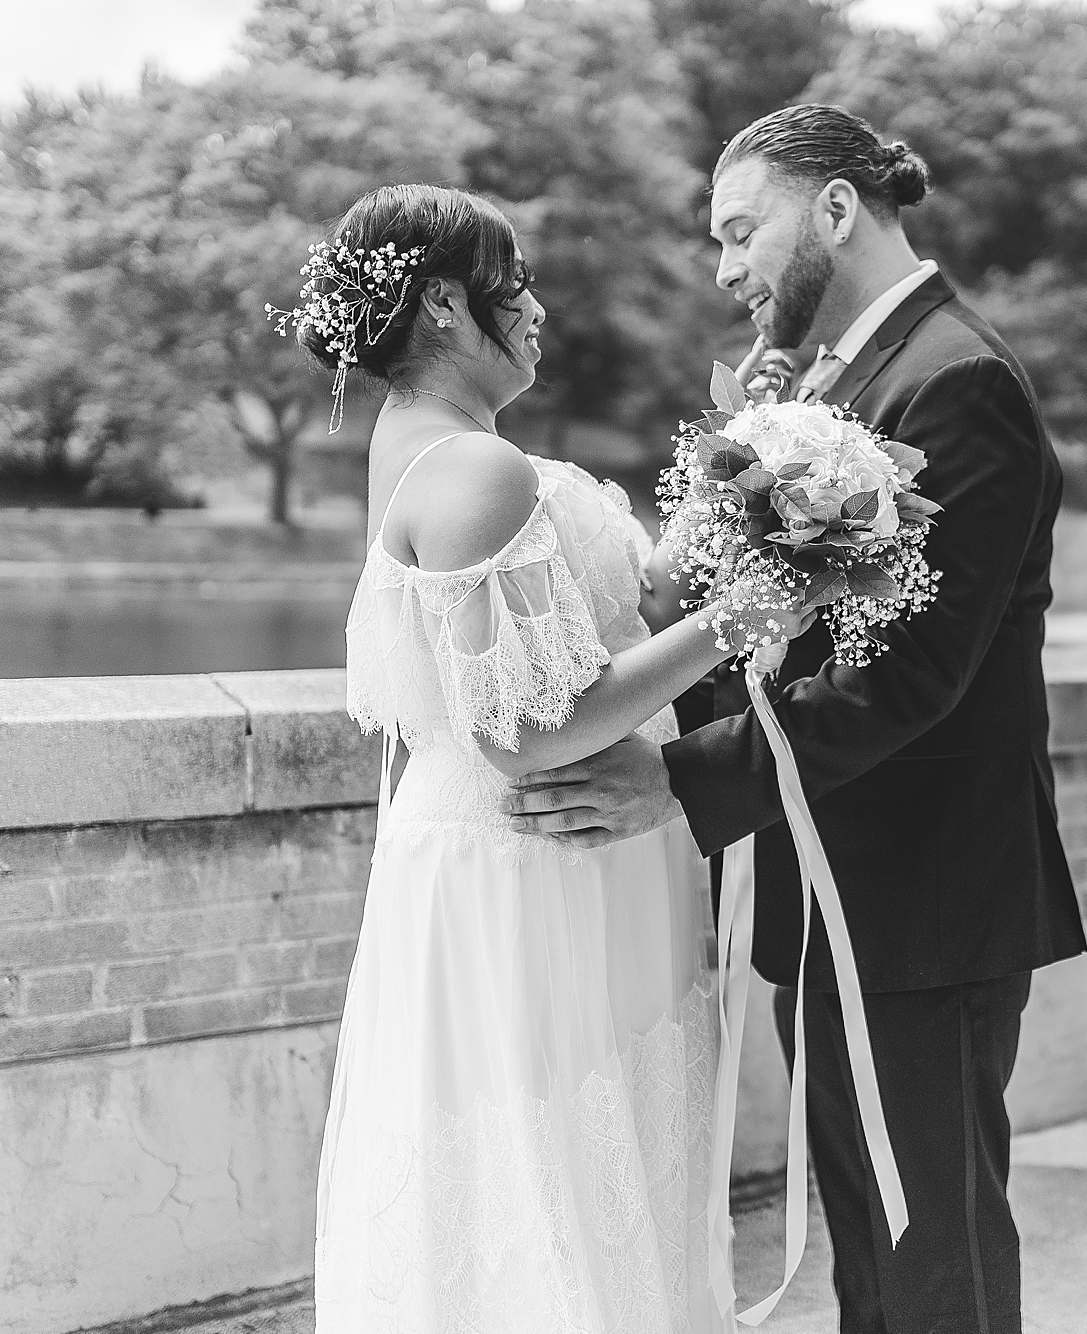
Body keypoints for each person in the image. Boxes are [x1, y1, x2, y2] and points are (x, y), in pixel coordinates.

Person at [507, 106, 1087, 1334]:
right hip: (831, 888)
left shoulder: (958, 378)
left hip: (921, 898)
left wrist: (675, 780)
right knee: (868, 1255)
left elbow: (913, 670)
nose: (724, 268)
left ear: (833, 209)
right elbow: (777, 617)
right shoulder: (842, 381)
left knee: (931, 1253)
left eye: (739, 230)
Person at [302, 183, 804, 1333]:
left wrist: (750, 462)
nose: (534, 307)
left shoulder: (437, 448)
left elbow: (620, 608)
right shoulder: (476, 470)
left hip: (548, 856)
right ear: (441, 303)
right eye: (513, 283)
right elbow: (527, 732)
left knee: (586, 1175)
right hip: (534, 863)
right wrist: (748, 615)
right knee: (558, 1186)